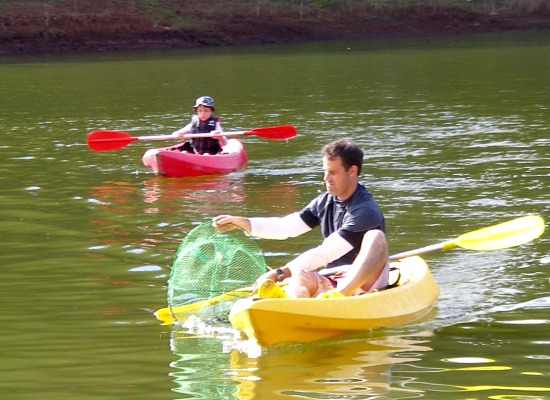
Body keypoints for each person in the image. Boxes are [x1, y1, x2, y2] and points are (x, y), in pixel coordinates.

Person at [212, 139, 389, 298]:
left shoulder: (366, 210)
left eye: (333, 172)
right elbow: (287, 227)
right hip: (333, 277)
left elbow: (326, 252)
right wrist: (245, 223)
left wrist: (278, 273)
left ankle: (340, 297)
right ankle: (296, 312)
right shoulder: (325, 201)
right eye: (325, 171)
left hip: (364, 282)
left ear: (352, 171)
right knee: (301, 275)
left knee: (376, 237)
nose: (326, 178)